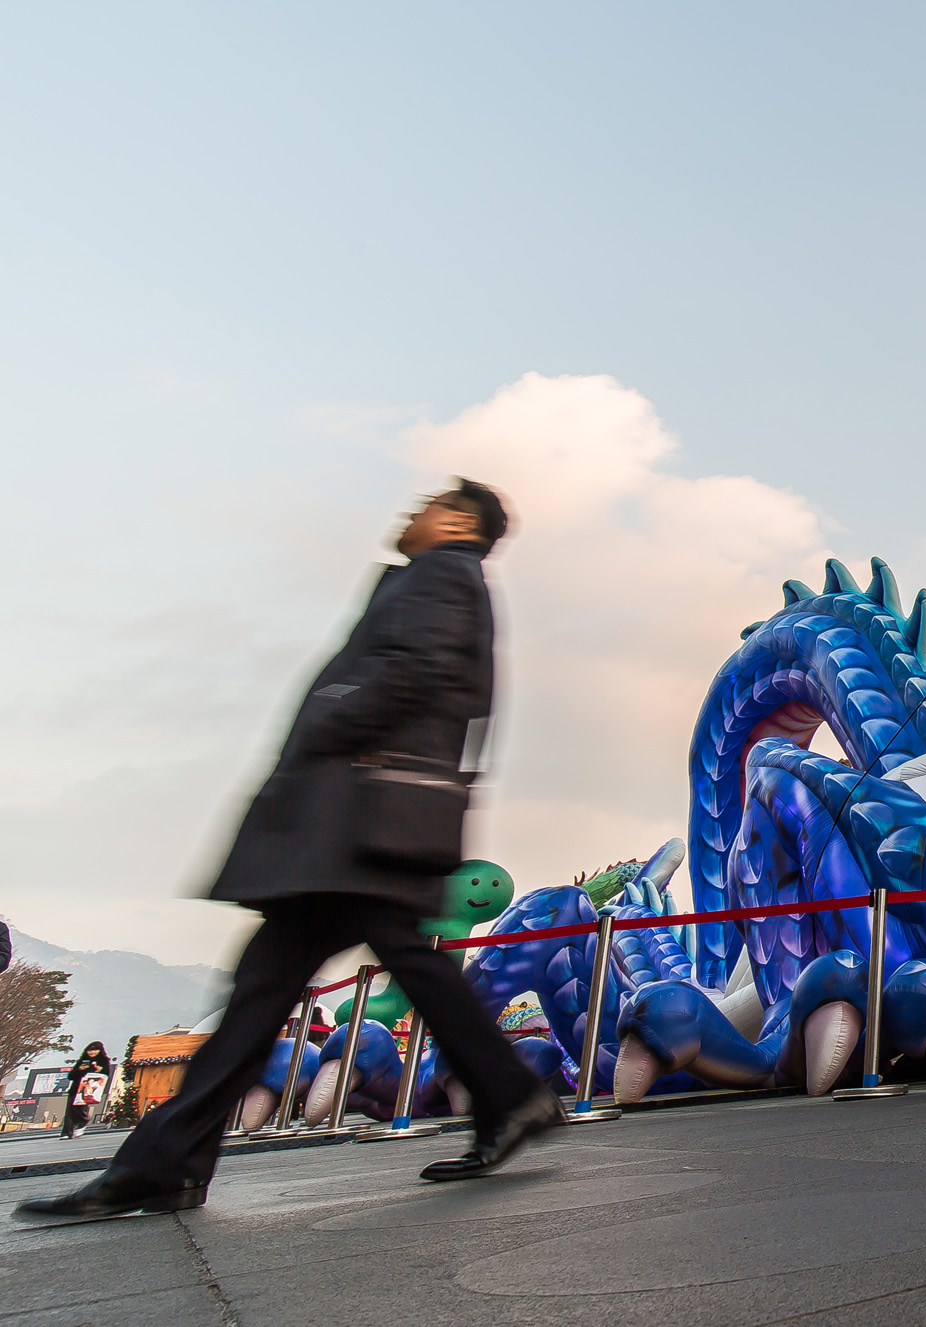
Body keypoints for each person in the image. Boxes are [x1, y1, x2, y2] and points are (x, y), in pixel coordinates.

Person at [17, 481, 560, 1224]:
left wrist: (331, 720)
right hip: (373, 824)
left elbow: (419, 671)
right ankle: (510, 1097)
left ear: (461, 520)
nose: (411, 512)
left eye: (429, 502)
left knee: (271, 991)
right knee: (295, 985)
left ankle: (161, 1165)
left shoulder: (443, 574)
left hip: (357, 822)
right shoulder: (458, 581)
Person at [60, 1043, 113, 1139]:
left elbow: (106, 1074)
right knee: (69, 1111)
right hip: (76, 1089)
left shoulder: (103, 1061)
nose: (92, 1052)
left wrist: (99, 1070)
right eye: (89, 1050)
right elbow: (71, 1076)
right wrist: (79, 1069)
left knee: (80, 1109)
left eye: (95, 1050)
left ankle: (82, 1123)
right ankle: (66, 1133)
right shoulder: (82, 1061)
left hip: (89, 1090)